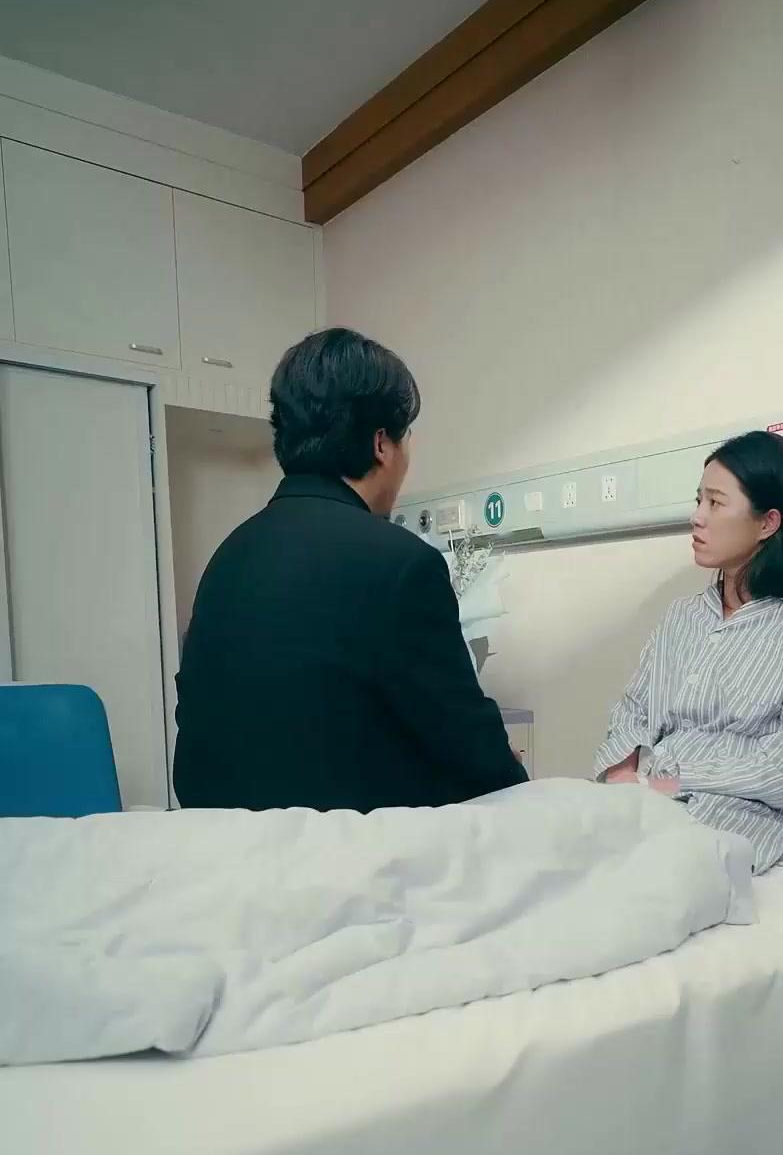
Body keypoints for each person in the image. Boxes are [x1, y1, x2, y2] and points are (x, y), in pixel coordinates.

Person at [173, 328, 526, 812]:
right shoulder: (402, 564)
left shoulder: (228, 557)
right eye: (405, 438)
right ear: (381, 443)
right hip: (342, 846)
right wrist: (514, 774)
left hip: (220, 835)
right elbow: (472, 749)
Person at [594, 430, 783, 872]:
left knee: (623, 884)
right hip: (637, 802)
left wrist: (666, 781)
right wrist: (624, 777)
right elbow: (632, 711)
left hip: (727, 822)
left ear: (767, 523)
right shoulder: (682, 617)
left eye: (715, 503)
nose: (697, 517)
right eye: (698, 500)